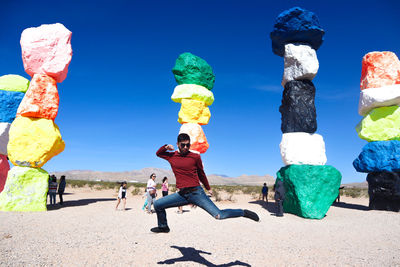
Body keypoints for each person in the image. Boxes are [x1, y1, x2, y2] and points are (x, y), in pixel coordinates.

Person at [151, 133, 259, 233]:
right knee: (157, 204)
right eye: (183, 145)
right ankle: (163, 227)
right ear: (177, 144)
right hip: (182, 194)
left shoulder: (195, 157)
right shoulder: (172, 156)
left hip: (196, 193)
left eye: (188, 145)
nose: (185, 147)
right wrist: (165, 147)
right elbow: (158, 153)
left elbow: (201, 173)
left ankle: (243, 212)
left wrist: (208, 188)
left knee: (219, 215)